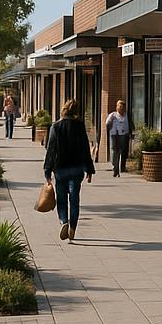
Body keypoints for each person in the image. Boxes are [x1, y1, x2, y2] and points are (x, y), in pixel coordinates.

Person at [43, 99, 95, 242]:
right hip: (77, 168)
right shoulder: (79, 126)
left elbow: (51, 150)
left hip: (60, 169)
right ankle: (72, 227)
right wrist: (89, 169)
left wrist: (47, 170)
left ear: (63, 109)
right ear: (76, 112)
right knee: (74, 198)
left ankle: (64, 221)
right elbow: (85, 148)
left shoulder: (56, 126)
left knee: (61, 199)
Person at [105, 99, 131, 177]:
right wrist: (111, 124)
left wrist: (130, 133)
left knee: (120, 151)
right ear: (117, 107)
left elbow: (130, 124)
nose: (121, 109)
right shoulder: (113, 115)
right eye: (119, 107)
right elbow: (107, 123)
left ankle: (119, 168)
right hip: (114, 134)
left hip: (123, 135)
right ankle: (115, 167)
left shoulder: (126, 115)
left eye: (122, 107)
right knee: (114, 150)